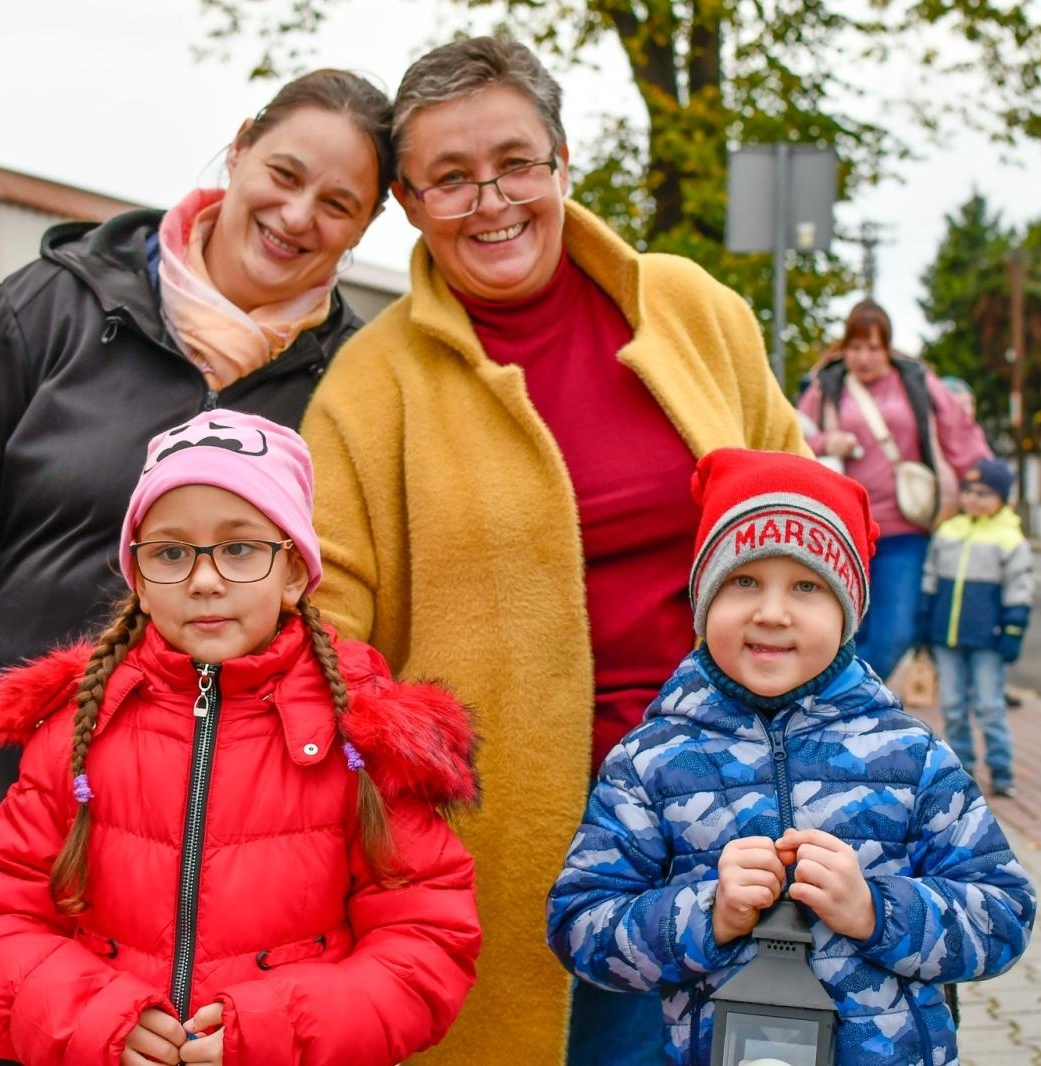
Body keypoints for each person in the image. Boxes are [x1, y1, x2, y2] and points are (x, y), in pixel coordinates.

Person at [0, 68, 394, 1066]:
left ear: (363, 229)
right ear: (237, 151)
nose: (297, 214)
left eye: (339, 203)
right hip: (21, 816)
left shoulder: (355, 379)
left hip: (241, 862)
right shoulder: (50, 311)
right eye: (283, 173)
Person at [300, 34, 808, 1065]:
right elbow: (321, 623)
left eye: (515, 163)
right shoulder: (372, 384)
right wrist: (397, 787)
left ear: (562, 162)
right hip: (517, 841)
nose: (490, 200)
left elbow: (807, 521)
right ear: (407, 200)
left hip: (741, 807)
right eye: (450, 177)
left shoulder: (689, 309)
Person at [0, 410, 481, 1065]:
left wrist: (273, 1033)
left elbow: (426, 944)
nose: (203, 578)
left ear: (292, 572)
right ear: (137, 578)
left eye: (240, 548)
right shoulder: (78, 730)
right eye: (171, 552)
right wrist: (97, 1019)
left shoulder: (364, 739)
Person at [547, 448, 1036, 1064]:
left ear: (847, 610)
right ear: (703, 600)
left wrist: (876, 910)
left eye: (806, 586)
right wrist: (707, 914)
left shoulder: (912, 756)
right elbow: (579, 927)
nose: (771, 613)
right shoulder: (651, 763)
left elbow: (1004, 915)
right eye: (743, 581)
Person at [797, 300, 991, 679]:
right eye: (855, 347)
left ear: (887, 347)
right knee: (843, 631)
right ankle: (839, 712)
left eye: (873, 347)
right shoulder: (827, 386)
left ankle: (842, 699)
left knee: (895, 634)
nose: (864, 357)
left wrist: (985, 476)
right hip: (844, 530)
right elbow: (793, 438)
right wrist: (824, 442)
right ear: (844, 348)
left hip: (904, 530)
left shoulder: (916, 382)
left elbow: (958, 431)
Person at [919, 457, 1034, 798]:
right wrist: (923, 621)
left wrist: (1013, 630)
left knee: (988, 705)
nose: (973, 499)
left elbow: (1020, 587)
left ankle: (1001, 769)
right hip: (946, 636)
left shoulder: (1009, 538)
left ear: (1002, 498)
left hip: (988, 638)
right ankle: (964, 766)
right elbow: (930, 577)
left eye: (984, 493)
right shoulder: (947, 532)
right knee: (952, 705)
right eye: (968, 491)